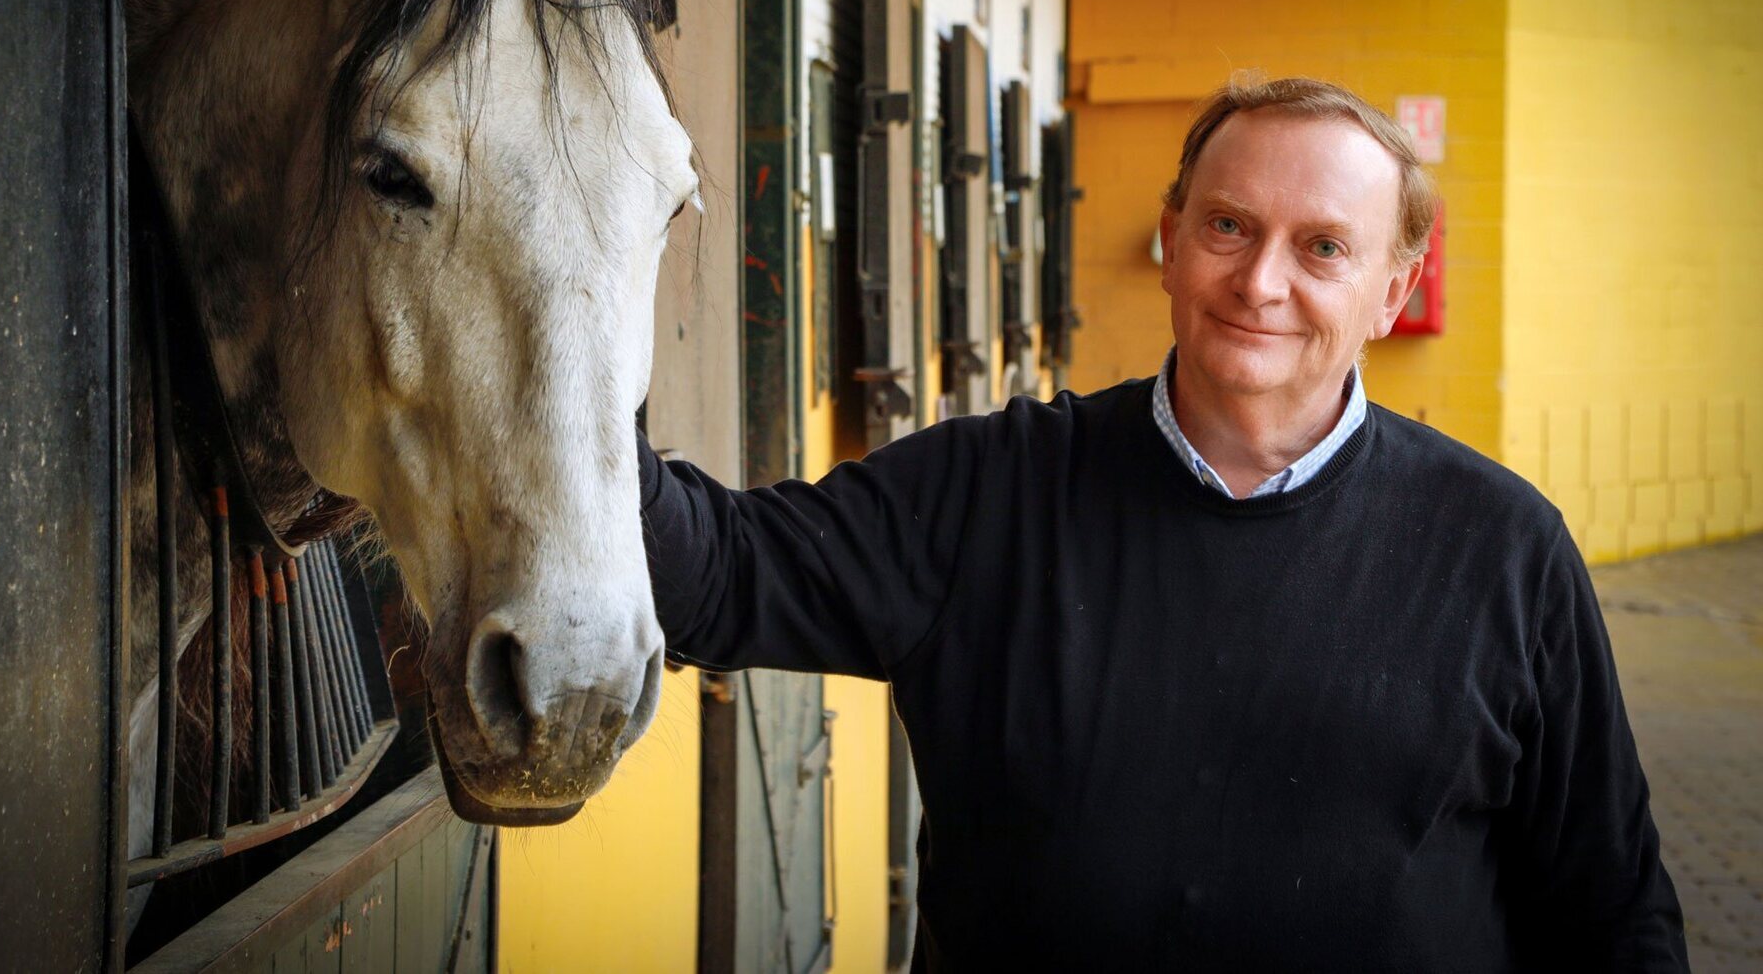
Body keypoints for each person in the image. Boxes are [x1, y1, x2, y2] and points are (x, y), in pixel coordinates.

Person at [638, 76, 1687, 970]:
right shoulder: (983, 489)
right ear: (1171, 233)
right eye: (1228, 224)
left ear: (1390, 290)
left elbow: (1608, 905)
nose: (1259, 281)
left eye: (1320, 247)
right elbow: (715, 575)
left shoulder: (1503, 549)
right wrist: (560, 378)